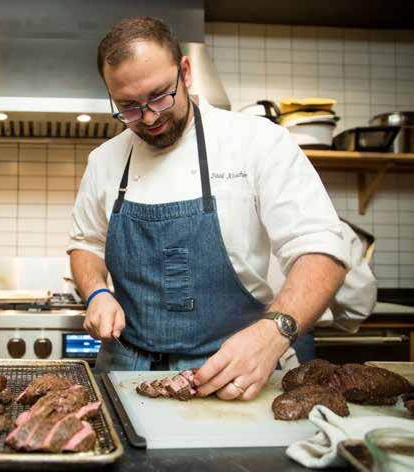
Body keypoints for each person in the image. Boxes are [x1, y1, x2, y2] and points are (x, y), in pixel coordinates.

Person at [67, 17, 357, 401]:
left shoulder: (256, 142)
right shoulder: (104, 160)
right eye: (129, 107)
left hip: (234, 370)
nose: (149, 117)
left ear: (185, 72)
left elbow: (321, 249)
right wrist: (96, 294)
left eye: (159, 96)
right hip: (126, 369)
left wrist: (273, 332)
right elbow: (86, 244)